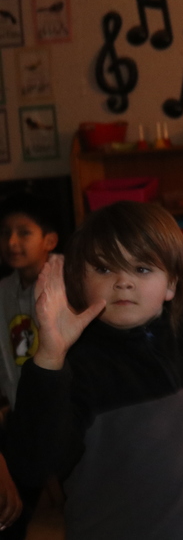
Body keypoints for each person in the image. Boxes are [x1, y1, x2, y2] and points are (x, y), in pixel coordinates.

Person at [3, 201, 183, 540]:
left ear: (171, 284)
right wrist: (50, 357)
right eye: (103, 269)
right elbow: (35, 463)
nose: (123, 281)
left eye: (141, 269)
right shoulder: (75, 366)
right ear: (80, 282)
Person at [0, 193, 61, 537]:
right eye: (5, 232)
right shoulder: (2, 291)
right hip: (21, 416)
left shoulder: (69, 278)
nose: (11, 242)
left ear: (49, 240)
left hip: (67, 413)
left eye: (24, 232)